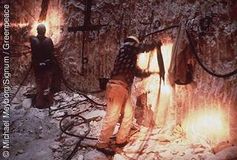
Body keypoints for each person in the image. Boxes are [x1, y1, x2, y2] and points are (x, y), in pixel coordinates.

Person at [97, 36, 156, 149]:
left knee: (129, 113)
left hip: (124, 88)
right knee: (112, 116)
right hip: (116, 86)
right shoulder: (126, 48)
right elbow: (137, 47)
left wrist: (151, 72)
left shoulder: (129, 58)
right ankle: (102, 143)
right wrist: (153, 46)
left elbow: (137, 72)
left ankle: (121, 140)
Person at [30, 23, 54, 109]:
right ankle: (46, 102)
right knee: (46, 84)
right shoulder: (49, 40)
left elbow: (33, 54)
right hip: (46, 66)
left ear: (37, 30)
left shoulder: (33, 40)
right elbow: (51, 54)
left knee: (39, 84)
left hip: (38, 66)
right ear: (45, 31)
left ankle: (40, 102)